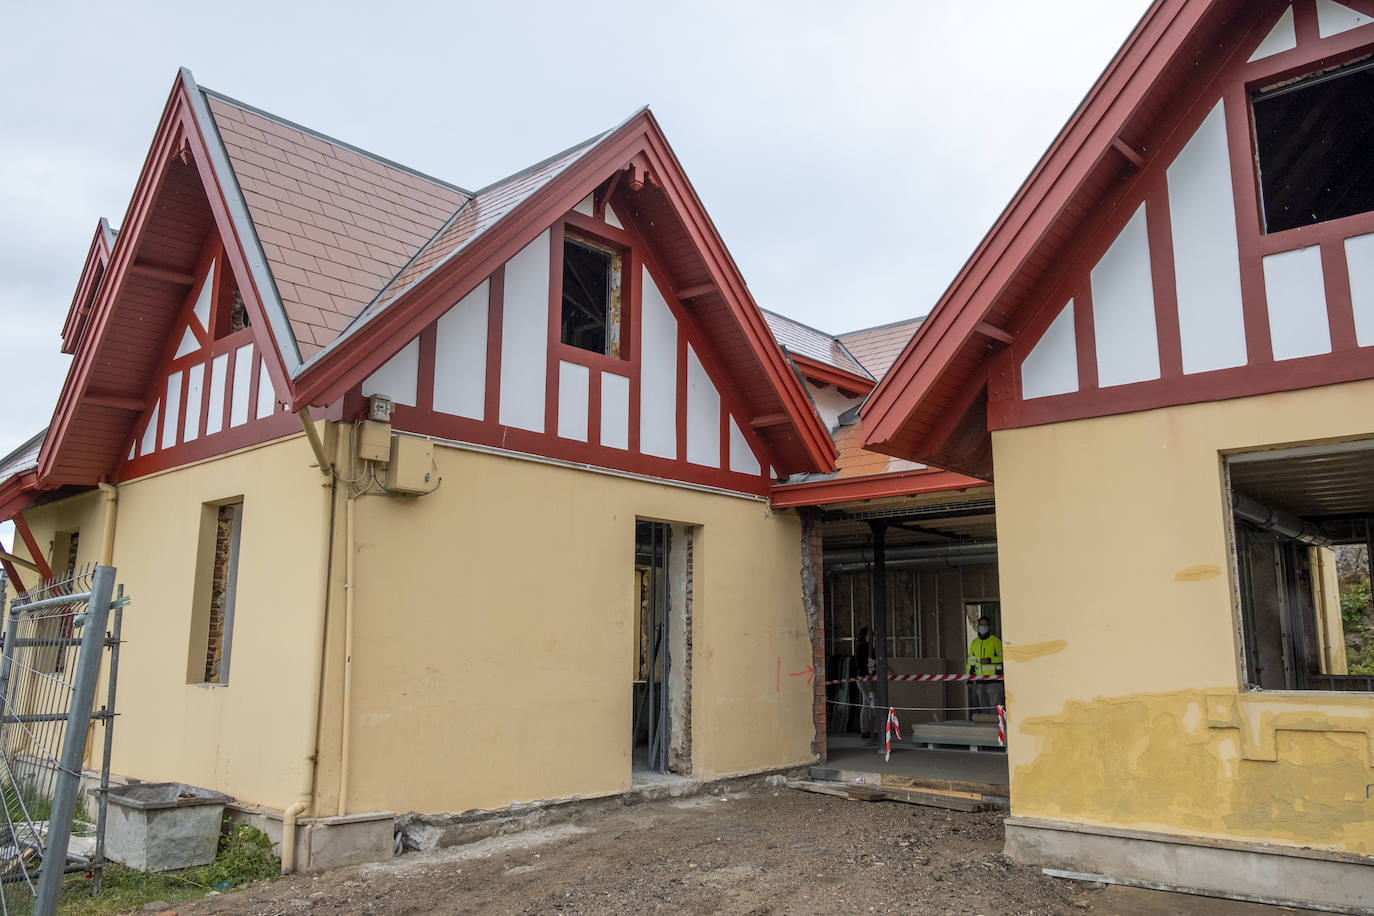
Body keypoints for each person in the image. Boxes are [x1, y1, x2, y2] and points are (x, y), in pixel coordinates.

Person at [967, 616, 1005, 716]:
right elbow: (970, 662)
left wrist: (989, 660)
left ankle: (998, 728)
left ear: (989, 627)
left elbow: (1003, 658)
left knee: (995, 707)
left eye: (985, 625)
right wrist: (969, 677)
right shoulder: (974, 643)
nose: (983, 627)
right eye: (981, 625)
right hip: (980, 681)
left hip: (994, 679)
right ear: (978, 627)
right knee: (983, 707)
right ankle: (987, 727)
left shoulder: (995, 641)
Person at [855, 627, 878, 742]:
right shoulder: (863, 647)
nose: (873, 636)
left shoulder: (865, 647)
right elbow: (864, 662)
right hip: (865, 680)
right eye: (871, 634)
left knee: (867, 705)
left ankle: (865, 730)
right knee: (874, 703)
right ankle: (876, 730)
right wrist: (872, 663)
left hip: (864, 679)